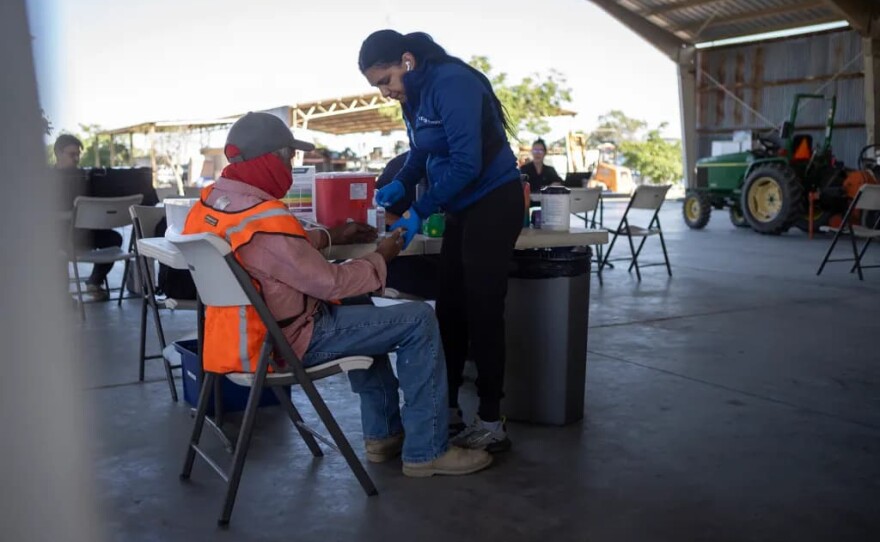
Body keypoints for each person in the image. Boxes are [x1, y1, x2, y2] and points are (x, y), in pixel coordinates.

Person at [182, 112, 492, 477]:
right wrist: (383, 256)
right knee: (418, 319)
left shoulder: (213, 204)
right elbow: (329, 283)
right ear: (271, 158)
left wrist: (331, 235)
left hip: (241, 338)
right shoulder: (263, 217)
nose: (292, 166)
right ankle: (427, 450)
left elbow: (271, 253)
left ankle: (384, 435)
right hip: (286, 342)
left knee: (360, 306)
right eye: (289, 157)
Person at [360, 30, 523, 452]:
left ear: (408, 61)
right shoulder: (411, 97)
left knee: (483, 306)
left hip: (494, 198)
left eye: (385, 80)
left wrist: (421, 209)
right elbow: (420, 151)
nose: (385, 92)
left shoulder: (454, 83)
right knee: (449, 307)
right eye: (377, 85)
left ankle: (492, 420)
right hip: (461, 205)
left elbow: (468, 162)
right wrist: (401, 184)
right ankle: (448, 411)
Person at [55, 134, 123, 300]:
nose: (76, 159)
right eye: (72, 154)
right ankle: (61, 294)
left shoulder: (85, 177)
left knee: (114, 239)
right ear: (58, 153)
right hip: (61, 235)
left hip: (86, 233)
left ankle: (95, 281)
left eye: (78, 154)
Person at [376, 151, 440, 300]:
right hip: (408, 260)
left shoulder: (460, 161)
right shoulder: (398, 166)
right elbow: (378, 211)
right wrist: (404, 222)